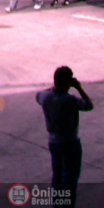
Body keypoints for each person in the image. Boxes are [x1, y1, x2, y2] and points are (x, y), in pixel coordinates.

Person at [36, 66, 94, 208]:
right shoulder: (70, 100)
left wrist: (54, 87)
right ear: (68, 82)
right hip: (70, 142)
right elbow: (89, 105)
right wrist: (79, 88)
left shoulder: (45, 97)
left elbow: (39, 94)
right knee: (69, 179)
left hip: (53, 142)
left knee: (57, 176)